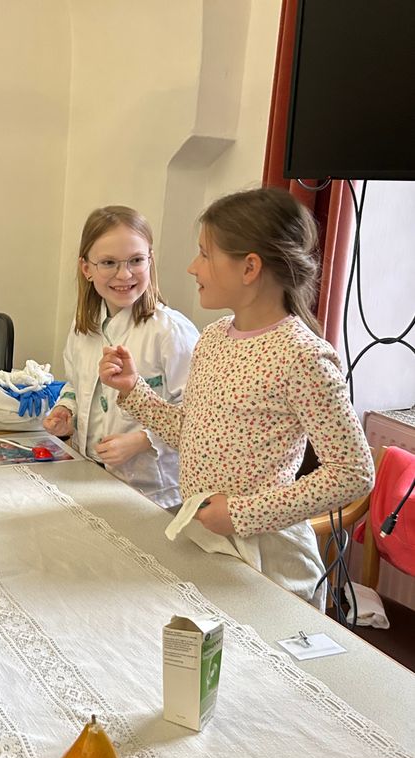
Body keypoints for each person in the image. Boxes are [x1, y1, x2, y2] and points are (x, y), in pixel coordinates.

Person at [99, 187, 374, 606]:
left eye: (205, 254)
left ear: (249, 268)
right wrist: (133, 392)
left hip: (267, 561)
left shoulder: (302, 356)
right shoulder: (212, 339)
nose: (193, 267)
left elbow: (353, 472)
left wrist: (244, 515)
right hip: (205, 539)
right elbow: (194, 432)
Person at [43, 206, 198, 508]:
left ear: (150, 261)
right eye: (109, 263)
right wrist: (66, 411)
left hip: (153, 494)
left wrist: (141, 441)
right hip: (88, 475)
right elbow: (76, 385)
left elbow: (195, 420)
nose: (124, 274)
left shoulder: (170, 332)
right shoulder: (82, 329)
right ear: (86, 269)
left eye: (136, 261)